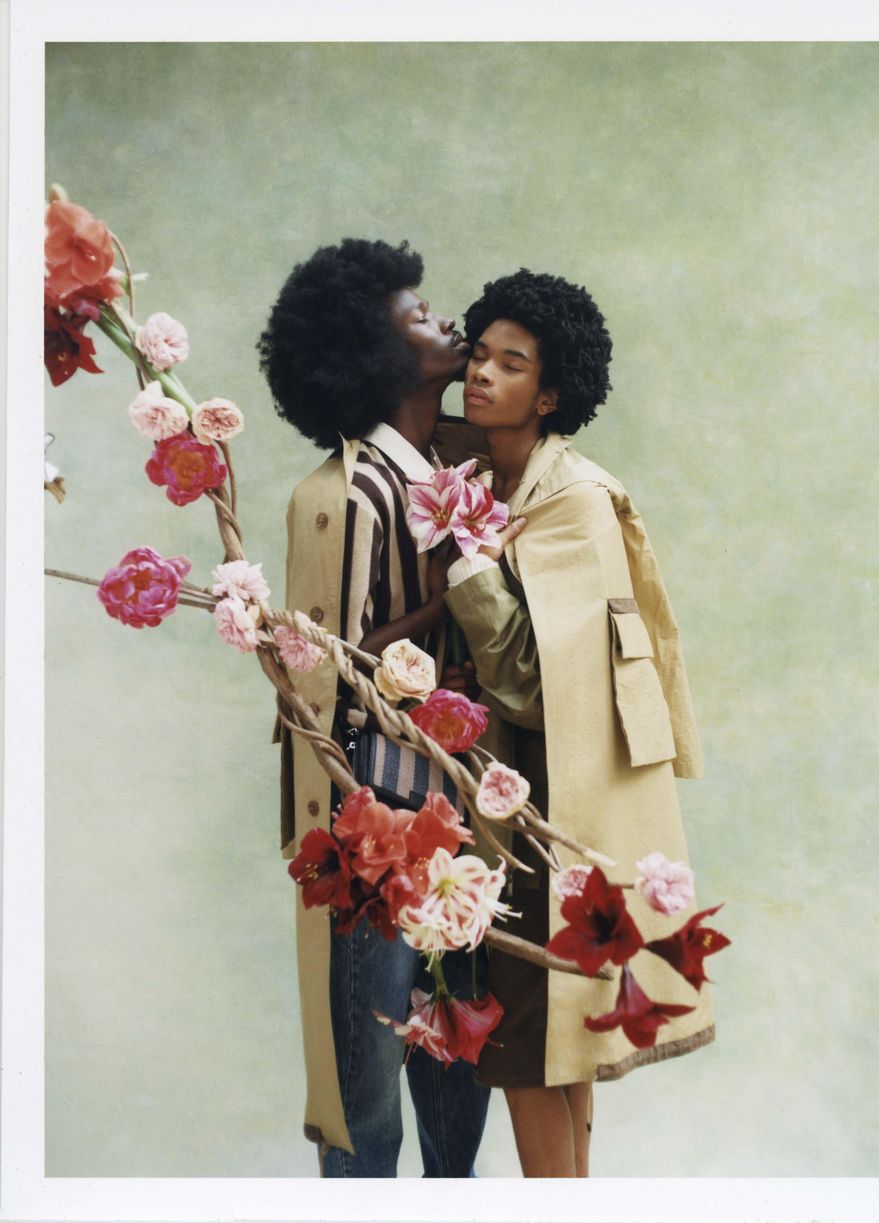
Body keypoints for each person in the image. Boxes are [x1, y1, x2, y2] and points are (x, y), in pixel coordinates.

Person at [442, 269, 715, 1178]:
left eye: (509, 365)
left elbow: (525, 685)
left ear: (549, 395)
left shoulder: (571, 500)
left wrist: (466, 563)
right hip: (527, 796)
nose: (480, 373)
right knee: (555, 1029)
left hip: (557, 807)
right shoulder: (494, 476)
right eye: (477, 354)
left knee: (529, 1037)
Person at [257, 238, 490, 1177]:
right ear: (373, 356)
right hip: (376, 833)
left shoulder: (444, 474)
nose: (442, 319)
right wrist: (466, 587)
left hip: (461, 824)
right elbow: (334, 668)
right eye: (417, 312)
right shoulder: (350, 490)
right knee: (370, 1095)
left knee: (455, 1071)